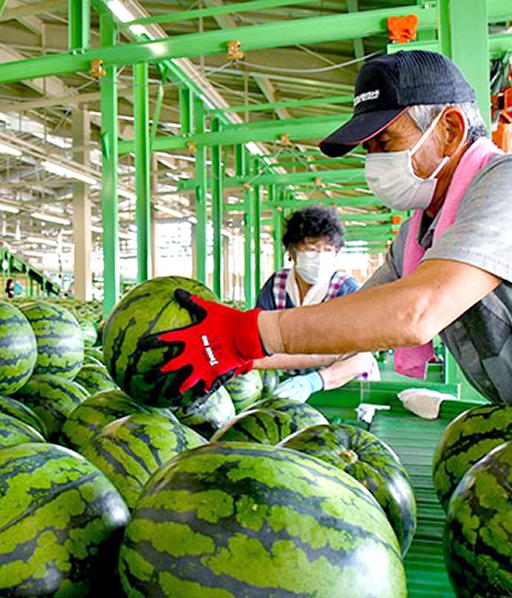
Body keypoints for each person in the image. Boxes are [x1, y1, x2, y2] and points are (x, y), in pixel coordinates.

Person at [145, 50, 512, 405]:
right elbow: (356, 325)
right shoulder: (415, 238)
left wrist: (248, 333)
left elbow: (417, 311)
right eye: (368, 149)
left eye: (384, 143)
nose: (374, 163)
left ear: (449, 130)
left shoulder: (504, 184)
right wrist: (246, 358)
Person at [255, 205, 378, 401]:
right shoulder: (275, 286)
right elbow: (259, 341)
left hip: (344, 384)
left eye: (328, 250)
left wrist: (313, 382)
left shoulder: (345, 290)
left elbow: (361, 358)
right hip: (292, 388)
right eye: (311, 249)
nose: (320, 258)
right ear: (292, 251)